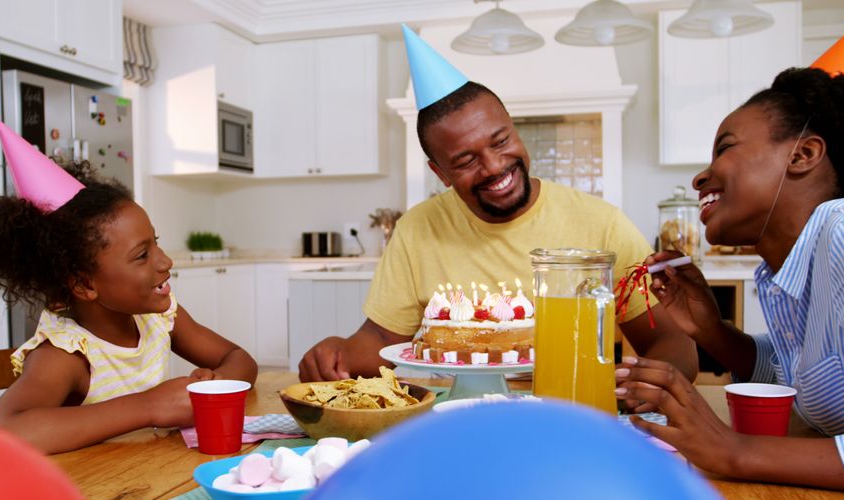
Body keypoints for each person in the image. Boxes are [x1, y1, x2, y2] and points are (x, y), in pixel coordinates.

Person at [299, 26, 697, 382]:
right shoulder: (417, 229)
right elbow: (382, 339)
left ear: (514, 128)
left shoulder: (602, 225)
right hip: (453, 415)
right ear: (440, 173)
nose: (494, 167)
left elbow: (670, 340)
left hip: (568, 409)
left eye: (501, 140)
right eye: (466, 160)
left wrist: (642, 381)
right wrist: (340, 353)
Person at [616, 57, 844, 497]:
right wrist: (712, 332)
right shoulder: (785, 270)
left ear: (802, 155)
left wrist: (733, 451)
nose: (700, 177)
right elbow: (800, 379)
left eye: (725, 148)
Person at [0, 122, 257, 454]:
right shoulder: (66, 352)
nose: (165, 262)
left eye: (156, 243)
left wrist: (216, 388)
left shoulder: (159, 319)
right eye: (142, 255)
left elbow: (239, 358)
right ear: (84, 284)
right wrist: (149, 407)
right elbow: (5, 432)